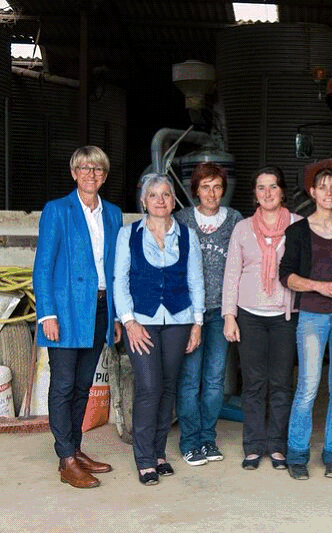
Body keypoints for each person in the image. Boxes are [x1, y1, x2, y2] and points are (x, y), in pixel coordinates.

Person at [33, 146, 122, 489]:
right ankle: (66, 458)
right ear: (74, 173)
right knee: (64, 384)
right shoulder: (58, 210)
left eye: (98, 169)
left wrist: (114, 316)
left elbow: (113, 269)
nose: (91, 174)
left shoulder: (112, 213)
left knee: (84, 385)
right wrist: (47, 315)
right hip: (67, 311)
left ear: (104, 175)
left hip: (99, 309)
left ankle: (75, 449)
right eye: (84, 168)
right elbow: (43, 267)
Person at [114, 173, 205, 485]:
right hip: (141, 322)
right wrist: (129, 321)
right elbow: (120, 282)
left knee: (168, 388)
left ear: (173, 200)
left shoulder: (187, 234)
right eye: (154, 195)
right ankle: (143, 458)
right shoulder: (128, 234)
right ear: (144, 200)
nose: (161, 200)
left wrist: (197, 322)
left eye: (166, 194)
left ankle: (159, 452)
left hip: (179, 320)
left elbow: (196, 280)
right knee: (149, 387)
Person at [279, 167, 332, 480]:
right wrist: (320, 286)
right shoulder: (299, 231)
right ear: (312, 193)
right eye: (322, 187)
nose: (328, 192)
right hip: (312, 314)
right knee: (309, 386)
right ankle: (297, 453)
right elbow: (287, 275)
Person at [222, 166, 301, 471]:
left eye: (273, 187)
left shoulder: (297, 225)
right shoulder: (242, 229)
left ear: (282, 191)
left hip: (285, 315)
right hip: (250, 315)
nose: (267, 193)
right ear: (254, 193)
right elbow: (231, 274)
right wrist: (230, 316)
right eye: (261, 187)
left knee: (281, 383)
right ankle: (254, 446)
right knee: (254, 384)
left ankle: (278, 446)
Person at [174, 162, 243, 467]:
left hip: (221, 311)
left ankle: (207, 438)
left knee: (214, 380)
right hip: (189, 314)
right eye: (205, 186)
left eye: (217, 186)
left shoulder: (236, 221)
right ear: (195, 190)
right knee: (189, 380)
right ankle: (189, 442)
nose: (212, 193)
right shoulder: (182, 220)